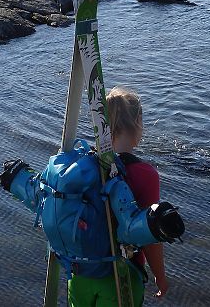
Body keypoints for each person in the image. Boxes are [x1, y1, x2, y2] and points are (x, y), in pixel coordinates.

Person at [68, 86, 168, 306]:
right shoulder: (145, 174)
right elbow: (150, 237)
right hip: (121, 276)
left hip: (81, 274)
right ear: (138, 122)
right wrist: (160, 276)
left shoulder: (82, 167)